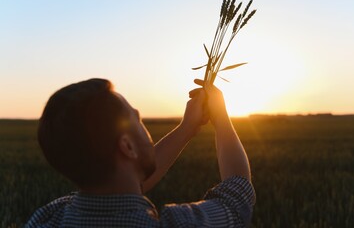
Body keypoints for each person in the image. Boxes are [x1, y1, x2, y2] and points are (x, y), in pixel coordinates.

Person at [26, 78, 255, 227]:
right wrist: (222, 118)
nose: (143, 125)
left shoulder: (47, 218)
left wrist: (187, 128)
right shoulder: (173, 224)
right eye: (137, 119)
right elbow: (237, 195)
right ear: (127, 146)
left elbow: (125, 184)